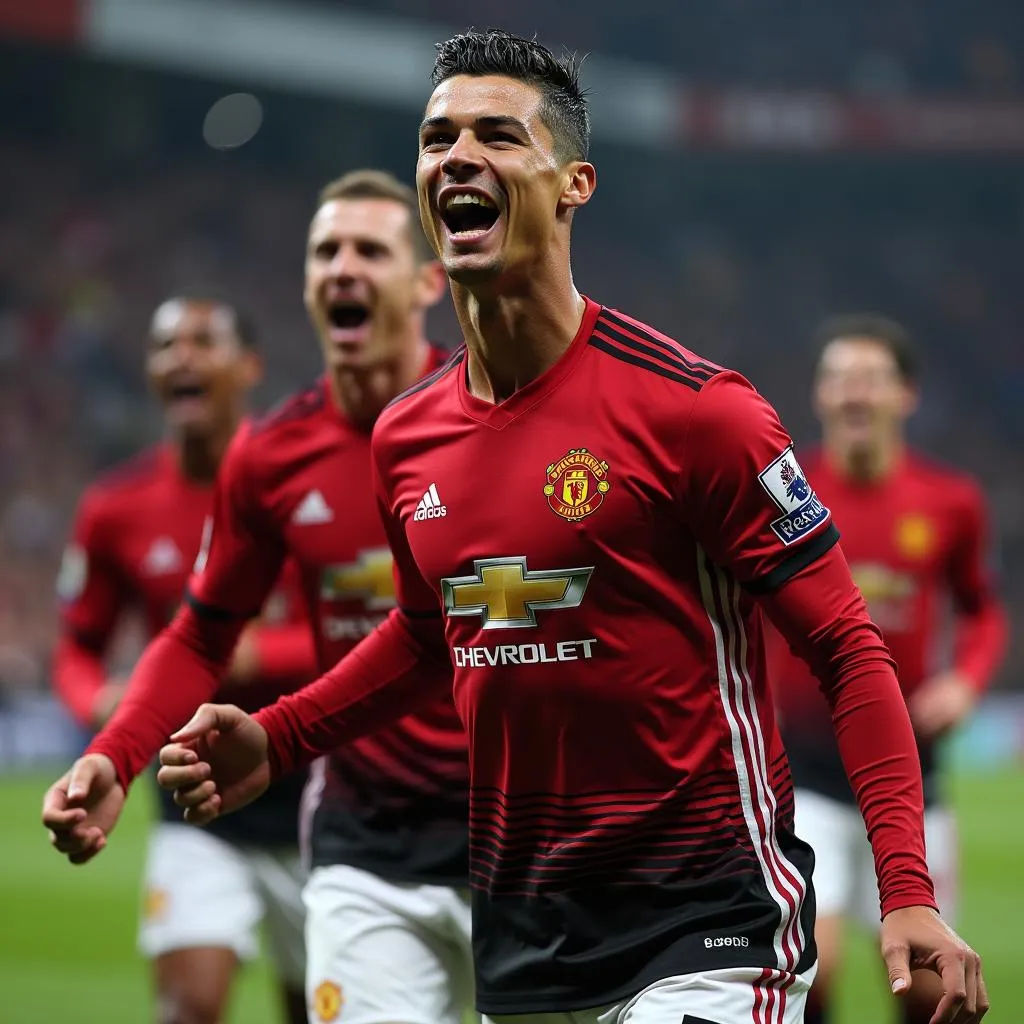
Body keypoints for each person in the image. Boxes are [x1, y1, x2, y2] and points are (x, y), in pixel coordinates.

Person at [78, 30, 988, 1024]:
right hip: (524, 927)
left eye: (497, 136)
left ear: (573, 185)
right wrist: (280, 735)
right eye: (437, 138)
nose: (457, 156)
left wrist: (905, 888)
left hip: (705, 922)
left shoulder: (697, 413)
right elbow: (432, 635)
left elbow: (848, 649)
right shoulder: (409, 438)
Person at [42, 171, 473, 1024]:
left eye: (370, 250)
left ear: (429, 281)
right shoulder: (272, 456)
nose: (343, 267)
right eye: (326, 252)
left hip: (513, 824)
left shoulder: (488, 421)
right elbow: (200, 636)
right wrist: (116, 751)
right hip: (361, 827)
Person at [51, 294, 316, 1024]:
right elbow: (77, 649)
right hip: (193, 800)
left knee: (318, 1014)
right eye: (166, 346)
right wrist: (97, 703)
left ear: (249, 367)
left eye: (203, 341)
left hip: (315, 798)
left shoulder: (305, 484)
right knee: (187, 1010)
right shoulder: (117, 507)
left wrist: (264, 651)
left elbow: (372, 630)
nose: (182, 358)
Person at [765, 315, 1007, 1024]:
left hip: (911, 774)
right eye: (839, 378)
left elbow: (982, 610)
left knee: (930, 991)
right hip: (803, 773)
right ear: (818, 395)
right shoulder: (784, 491)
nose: (853, 394)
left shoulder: (948, 501)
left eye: (870, 378)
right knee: (815, 966)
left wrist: (965, 679)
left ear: (906, 395)